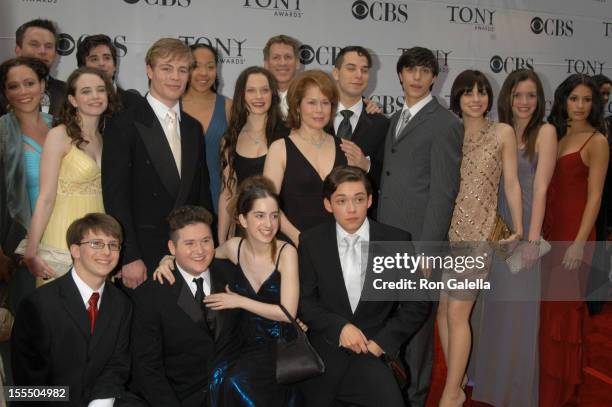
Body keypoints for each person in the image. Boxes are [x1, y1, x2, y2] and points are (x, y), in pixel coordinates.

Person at [154, 176, 301, 406]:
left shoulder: (286, 253)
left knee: (235, 381)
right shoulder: (234, 248)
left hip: (278, 342)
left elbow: (288, 313)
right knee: (216, 375)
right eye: (259, 216)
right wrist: (168, 259)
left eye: (274, 216)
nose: (269, 224)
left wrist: (239, 301)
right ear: (243, 219)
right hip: (241, 341)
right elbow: (201, 255)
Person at [298, 165, 431, 406]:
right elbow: (305, 302)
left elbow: (417, 303)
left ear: (369, 200)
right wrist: (339, 328)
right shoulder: (311, 241)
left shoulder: (395, 240)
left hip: (374, 350)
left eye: (358, 199)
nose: (351, 209)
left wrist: (383, 343)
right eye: (341, 201)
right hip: (325, 353)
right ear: (328, 204)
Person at [376, 46, 463, 406]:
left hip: (418, 246)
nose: (416, 77)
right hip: (387, 238)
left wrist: (428, 251)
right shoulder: (395, 119)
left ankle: (415, 398)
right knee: (392, 322)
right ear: (400, 74)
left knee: (418, 330)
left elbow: (443, 193)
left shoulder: (446, 124)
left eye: (424, 71)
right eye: (410, 70)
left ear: (434, 78)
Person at [469, 69, 557, 407]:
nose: (524, 102)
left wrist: (533, 241)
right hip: (494, 232)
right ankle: (489, 386)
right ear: (507, 97)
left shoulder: (545, 132)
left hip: (524, 236)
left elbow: (541, 187)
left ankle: (515, 393)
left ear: (539, 100)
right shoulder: (497, 131)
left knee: (518, 317)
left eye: (531, 95)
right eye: (518, 95)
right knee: (491, 311)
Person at [437, 70, 523, 407]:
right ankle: (456, 383)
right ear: (457, 97)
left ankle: (450, 393)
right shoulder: (449, 132)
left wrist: (517, 228)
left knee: (458, 314)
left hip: (478, 235)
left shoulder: (502, 132)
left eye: (482, 92)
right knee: (445, 313)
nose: (476, 98)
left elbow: (512, 183)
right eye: (468, 92)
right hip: (444, 235)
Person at [102, 38, 214, 289]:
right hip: (143, 255)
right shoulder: (124, 124)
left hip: (187, 253)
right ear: (149, 71)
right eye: (166, 68)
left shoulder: (193, 128)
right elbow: (115, 197)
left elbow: (201, 194)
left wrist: (204, 245)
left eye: (182, 70)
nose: (175, 77)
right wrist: (129, 256)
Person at [11, 213, 131, 406]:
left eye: (113, 245)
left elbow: (117, 366)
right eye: (96, 244)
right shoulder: (37, 304)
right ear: (75, 250)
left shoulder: (121, 304)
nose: (107, 252)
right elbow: (26, 387)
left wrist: (100, 402)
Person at [540, 73, 609, 406]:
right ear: (563, 100)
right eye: (574, 98)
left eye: (587, 99)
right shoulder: (556, 133)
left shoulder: (597, 140)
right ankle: (545, 385)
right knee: (548, 313)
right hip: (549, 234)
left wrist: (581, 243)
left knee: (562, 313)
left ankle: (560, 392)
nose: (580, 106)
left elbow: (595, 197)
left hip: (574, 236)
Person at [130, 205, 241, 407]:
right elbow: (147, 367)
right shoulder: (150, 295)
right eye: (189, 243)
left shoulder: (233, 276)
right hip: (182, 399)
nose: (200, 250)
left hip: (237, 394)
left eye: (206, 241)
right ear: (172, 248)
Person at [24, 67, 118, 285]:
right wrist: (31, 249)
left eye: (100, 90)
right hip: (63, 232)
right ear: (73, 100)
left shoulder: (105, 138)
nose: (95, 96)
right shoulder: (59, 135)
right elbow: (45, 197)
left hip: (99, 234)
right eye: (86, 91)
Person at [264, 70, 348, 246]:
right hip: (292, 245)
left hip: (338, 245)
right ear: (297, 106)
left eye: (325, 103)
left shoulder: (345, 147)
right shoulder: (280, 148)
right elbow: (268, 203)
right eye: (311, 102)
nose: (319, 110)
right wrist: (298, 238)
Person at [0, 57, 53, 306]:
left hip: (61, 241)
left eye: (29, 83)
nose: (22, 92)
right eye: (13, 86)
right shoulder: (2, 132)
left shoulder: (62, 128)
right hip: (19, 246)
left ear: (43, 85)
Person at [218, 66, 286, 243]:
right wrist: (221, 239)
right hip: (245, 232)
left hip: (280, 229)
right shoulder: (230, 138)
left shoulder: (288, 134)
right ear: (241, 95)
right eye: (251, 90)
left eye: (264, 90)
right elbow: (227, 192)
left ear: (273, 94)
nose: (258, 97)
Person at [329, 46, 389, 216]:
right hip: (315, 217)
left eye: (364, 70)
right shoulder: (316, 117)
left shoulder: (381, 124)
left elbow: (389, 177)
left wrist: (366, 165)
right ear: (335, 73)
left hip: (362, 219)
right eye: (351, 68)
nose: (358, 75)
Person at [182, 44, 232, 214]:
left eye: (210, 66)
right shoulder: (172, 105)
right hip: (179, 197)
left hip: (218, 197)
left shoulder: (228, 107)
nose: (204, 73)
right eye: (196, 66)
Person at [3, 19, 66, 116]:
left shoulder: (68, 92)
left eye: (48, 46)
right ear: (18, 50)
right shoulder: (2, 88)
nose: (42, 51)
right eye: (34, 44)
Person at [76, 34, 143, 110]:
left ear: (115, 66)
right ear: (82, 67)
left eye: (107, 58)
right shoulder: (73, 102)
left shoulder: (136, 102)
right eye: (94, 59)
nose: (101, 63)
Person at [263, 35, 300, 119]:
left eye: (288, 57)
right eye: (276, 57)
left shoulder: (308, 98)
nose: (282, 63)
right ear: (266, 64)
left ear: (297, 63)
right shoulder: (256, 99)